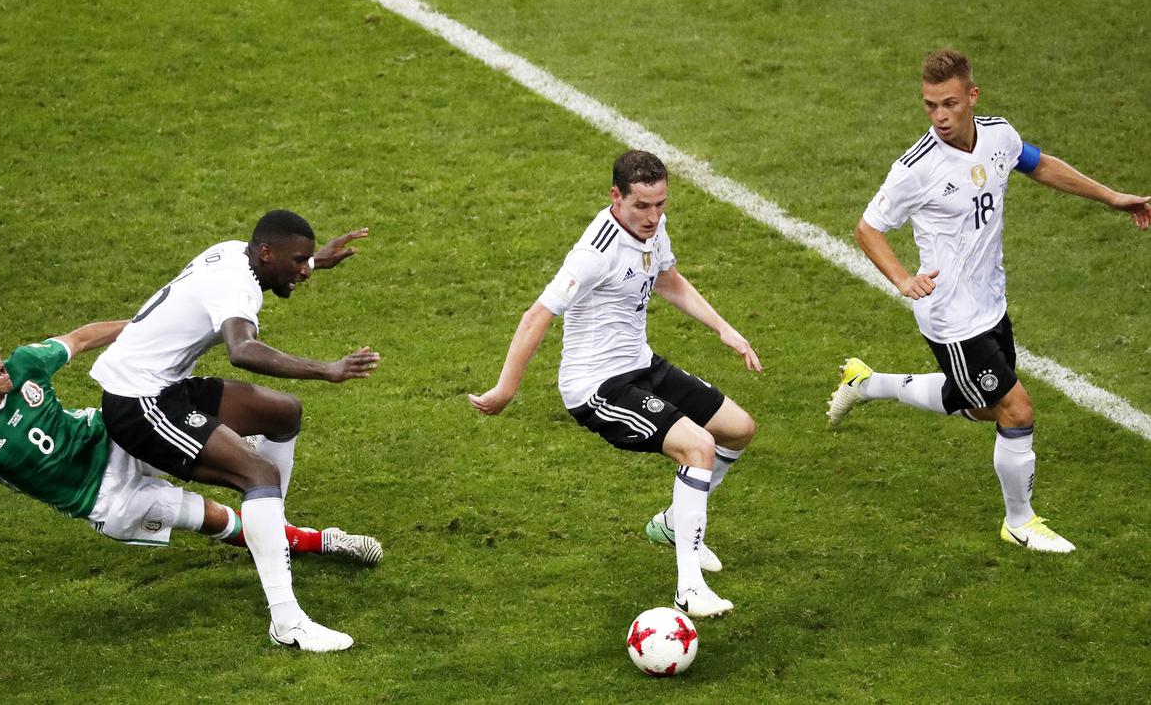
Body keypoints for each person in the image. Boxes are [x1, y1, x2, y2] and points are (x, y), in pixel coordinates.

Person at [828, 49, 1151, 553]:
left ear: (971, 97)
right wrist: (901, 279)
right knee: (1015, 409)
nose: (938, 116)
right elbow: (867, 228)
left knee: (977, 406)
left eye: (949, 104)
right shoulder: (916, 168)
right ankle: (1019, 522)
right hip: (950, 317)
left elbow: (1039, 165)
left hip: (991, 304)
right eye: (930, 105)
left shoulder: (998, 134)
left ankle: (868, 384)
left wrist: (1112, 197)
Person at [469, 150, 761, 619]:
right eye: (642, 206)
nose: (653, 216)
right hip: (597, 387)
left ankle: (672, 525)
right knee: (698, 447)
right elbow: (536, 316)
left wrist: (723, 328)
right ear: (616, 197)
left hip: (640, 366)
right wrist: (506, 389)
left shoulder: (652, 228)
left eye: (661, 204)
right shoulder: (594, 253)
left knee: (739, 429)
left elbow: (668, 280)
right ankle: (689, 586)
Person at [89, 210, 383, 651]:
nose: (303, 271)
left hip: (164, 386)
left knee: (283, 413)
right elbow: (241, 350)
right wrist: (328, 369)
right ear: (266, 253)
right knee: (258, 474)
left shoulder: (232, 252)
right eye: (298, 261)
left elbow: (267, 275)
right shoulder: (235, 283)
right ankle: (288, 624)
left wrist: (315, 262)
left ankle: (271, 533)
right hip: (140, 403)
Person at [0, 325, 382, 601]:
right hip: (107, 499)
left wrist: (145, 329)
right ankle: (317, 542)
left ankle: (241, 450)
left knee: (172, 413)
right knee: (219, 519)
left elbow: (82, 337)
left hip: (110, 434)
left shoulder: (26, 363)